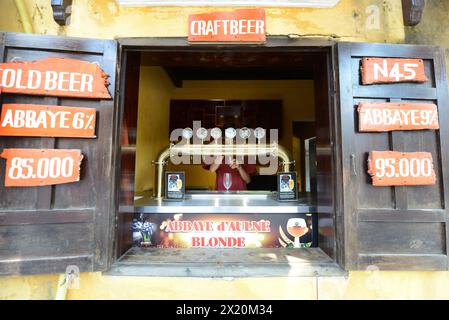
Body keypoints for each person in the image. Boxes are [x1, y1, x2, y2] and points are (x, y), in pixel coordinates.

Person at [203, 123, 257, 191]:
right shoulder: (219, 151)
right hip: (221, 193)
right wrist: (223, 152)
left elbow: (248, 180)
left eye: (233, 138)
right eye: (227, 137)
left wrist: (239, 167)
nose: (231, 141)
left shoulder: (245, 153)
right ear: (223, 138)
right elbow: (212, 170)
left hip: (240, 194)